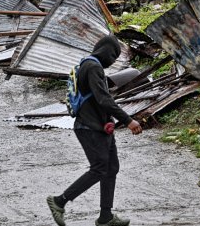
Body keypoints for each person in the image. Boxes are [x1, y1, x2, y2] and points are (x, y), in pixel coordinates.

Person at [46, 35, 143, 226]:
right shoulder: (93, 67)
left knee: (111, 168)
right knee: (100, 168)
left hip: (100, 127)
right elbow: (103, 99)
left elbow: (97, 100)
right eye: (113, 56)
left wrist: (109, 121)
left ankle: (106, 217)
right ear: (106, 51)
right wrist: (128, 120)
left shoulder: (89, 66)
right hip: (88, 128)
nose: (113, 61)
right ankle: (59, 201)